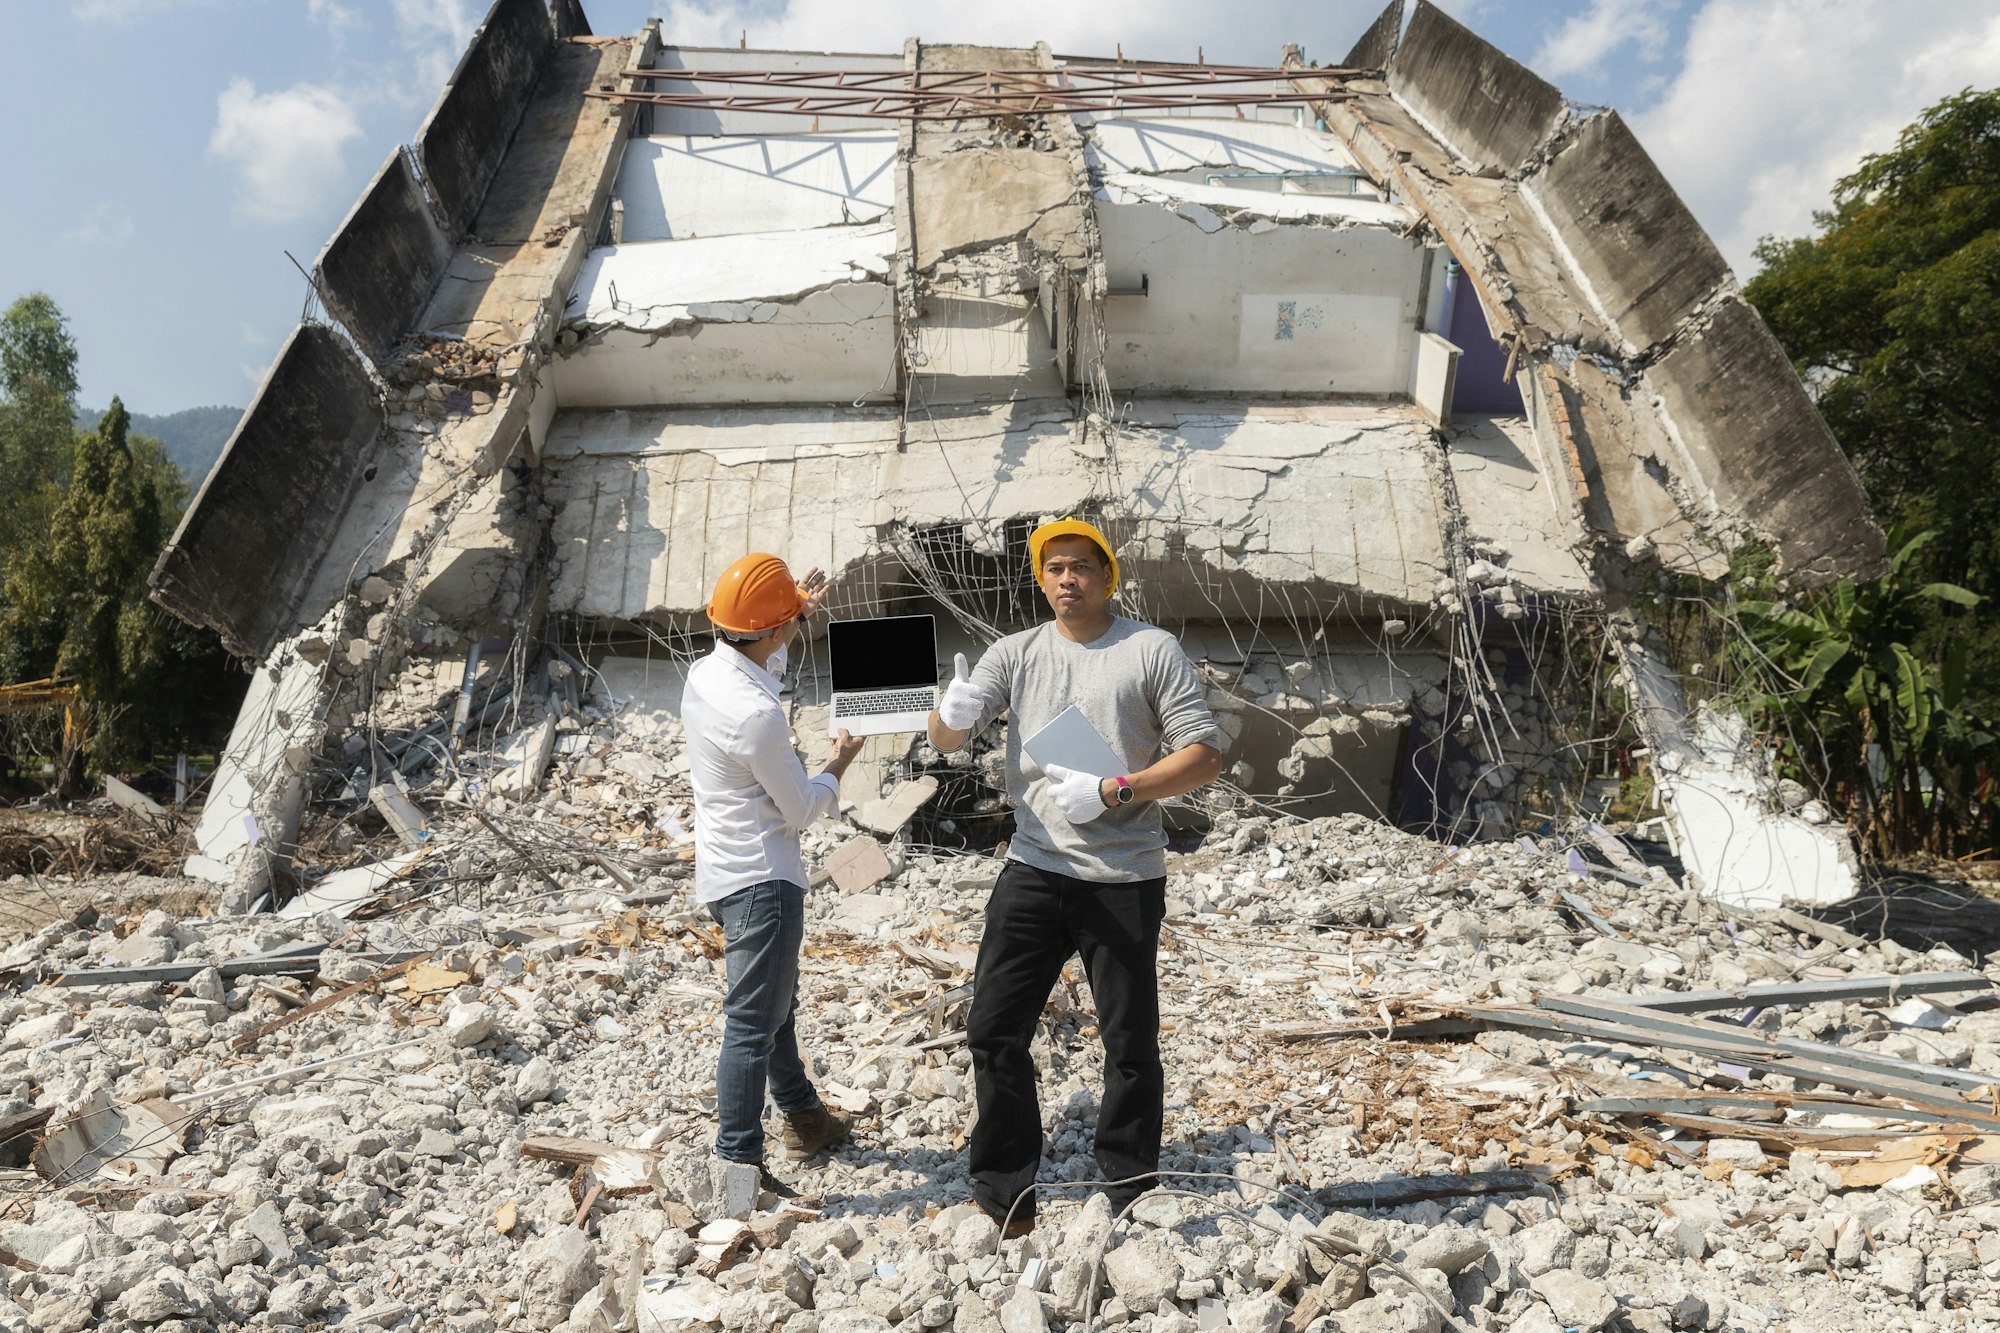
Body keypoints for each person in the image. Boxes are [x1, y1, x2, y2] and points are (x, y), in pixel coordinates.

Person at [927, 518, 1224, 1233]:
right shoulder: (1016, 652)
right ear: (1041, 577)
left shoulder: (1149, 650)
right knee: (994, 1030)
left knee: (1128, 1042)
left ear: (1105, 574)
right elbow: (947, 738)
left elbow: (1205, 755)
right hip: (1033, 865)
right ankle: (1006, 1191)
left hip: (1123, 874)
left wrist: (1119, 789)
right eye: (1054, 567)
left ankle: (1130, 1185)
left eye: (1081, 566)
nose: (1067, 578)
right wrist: (948, 713)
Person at [683, 552, 865, 1182]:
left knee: (772, 1005)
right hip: (764, 881)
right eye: (788, 619)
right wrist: (840, 761)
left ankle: (805, 1118)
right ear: (773, 628)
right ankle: (739, 1173)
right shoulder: (758, 718)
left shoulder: (706, 673)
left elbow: (763, 657)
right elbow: (802, 810)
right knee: (751, 1026)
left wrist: (791, 616)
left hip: (722, 872)